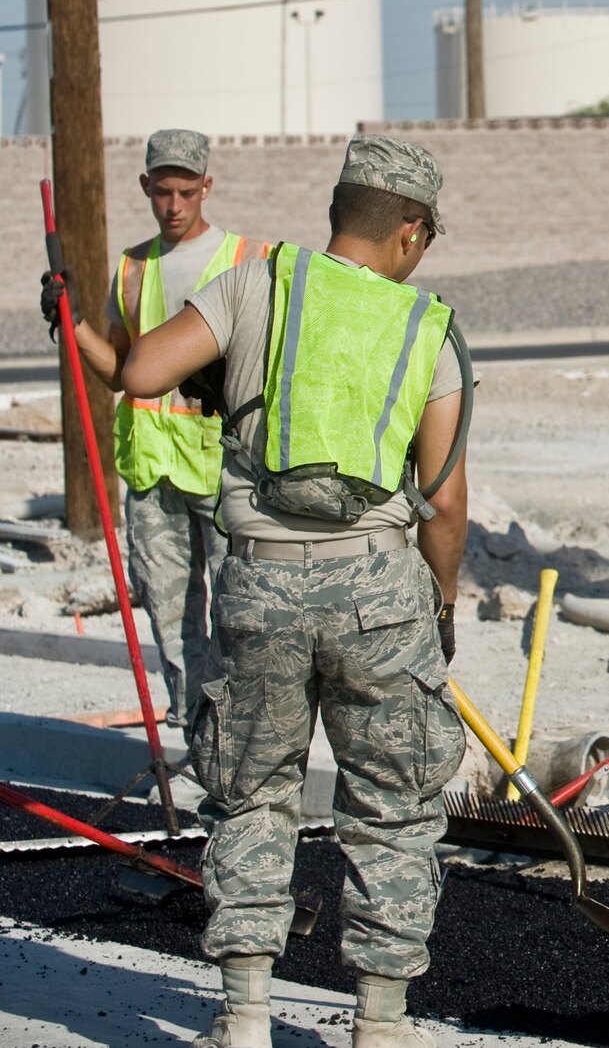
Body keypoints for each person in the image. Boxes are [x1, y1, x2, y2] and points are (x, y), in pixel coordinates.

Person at [122, 137, 469, 1048]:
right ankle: (382, 1024)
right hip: (380, 589)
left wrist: (218, 368)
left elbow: (140, 373)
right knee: (392, 803)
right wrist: (441, 603)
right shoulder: (428, 327)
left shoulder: (256, 283)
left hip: (261, 582)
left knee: (251, 792)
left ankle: (243, 1017)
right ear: (409, 230)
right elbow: (445, 502)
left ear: (333, 213)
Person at [38, 129, 268, 725]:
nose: (173, 205)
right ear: (146, 187)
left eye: (185, 192)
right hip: (153, 469)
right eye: (162, 191)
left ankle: (237, 749)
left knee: (238, 614)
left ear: (206, 188)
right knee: (171, 617)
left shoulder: (249, 259)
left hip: (226, 470)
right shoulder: (133, 268)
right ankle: (192, 739)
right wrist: (75, 322)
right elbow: (120, 370)